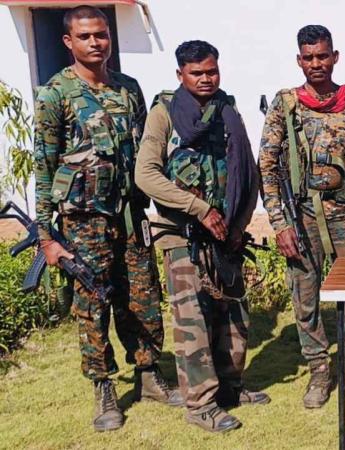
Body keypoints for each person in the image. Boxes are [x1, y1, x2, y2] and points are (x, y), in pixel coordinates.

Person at [33, 5, 182, 432]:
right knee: (93, 304)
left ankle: (149, 373)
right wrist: (46, 237)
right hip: (83, 222)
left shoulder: (128, 88)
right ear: (69, 41)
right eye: (85, 36)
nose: (95, 42)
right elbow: (43, 167)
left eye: (101, 34)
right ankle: (103, 387)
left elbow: (147, 155)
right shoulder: (55, 95)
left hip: (130, 215)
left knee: (143, 296)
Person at [135, 40, 267, 432]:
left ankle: (229, 387)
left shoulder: (227, 110)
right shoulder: (164, 113)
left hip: (226, 233)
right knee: (192, 323)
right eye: (196, 73)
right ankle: (199, 404)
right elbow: (146, 175)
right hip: (184, 235)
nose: (206, 79)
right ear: (181, 74)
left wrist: (238, 224)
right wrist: (199, 209)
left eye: (212, 71)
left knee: (233, 316)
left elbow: (248, 172)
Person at [259, 24, 345, 409]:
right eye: (309, 57)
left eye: (323, 56)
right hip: (302, 219)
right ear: (299, 60)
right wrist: (280, 224)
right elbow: (267, 166)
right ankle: (318, 369)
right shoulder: (285, 105)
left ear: (335, 57)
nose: (316, 63)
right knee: (305, 297)